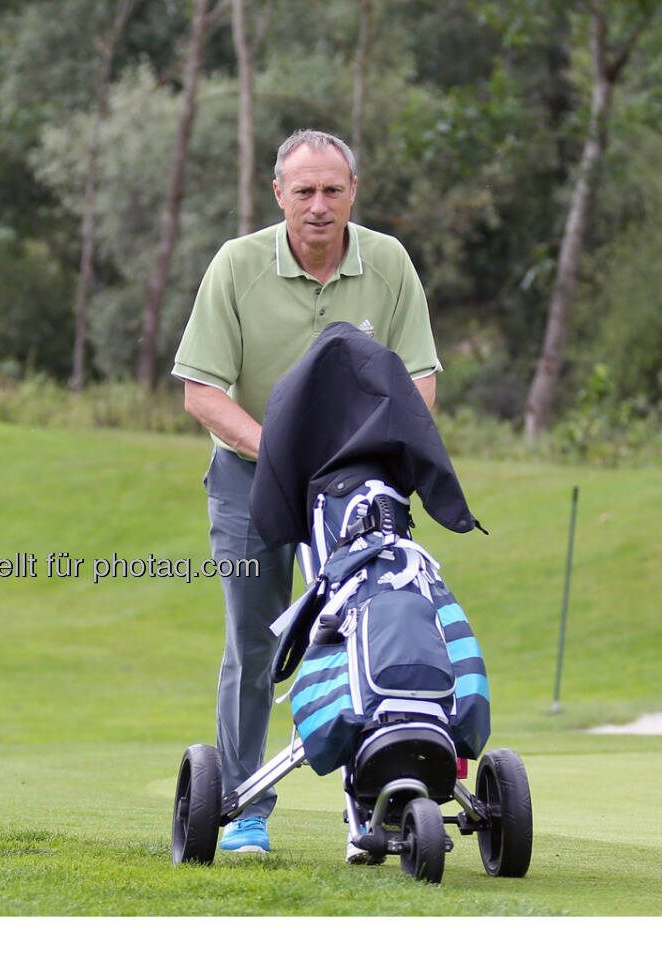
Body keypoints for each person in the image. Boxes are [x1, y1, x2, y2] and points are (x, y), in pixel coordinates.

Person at [171, 129, 439, 859]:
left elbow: (418, 380)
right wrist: (282, 450)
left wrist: (373, 453)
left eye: (332, 190)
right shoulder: (238, 265)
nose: (318, 206)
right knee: (254, 646)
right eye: (304, 191)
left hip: (356, 485)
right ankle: (247, 808)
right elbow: (202, 391)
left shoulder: (387, 263)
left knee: (373, 627)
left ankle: (369, 805)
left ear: (353, 192)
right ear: (279, 195)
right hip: (249, 479)